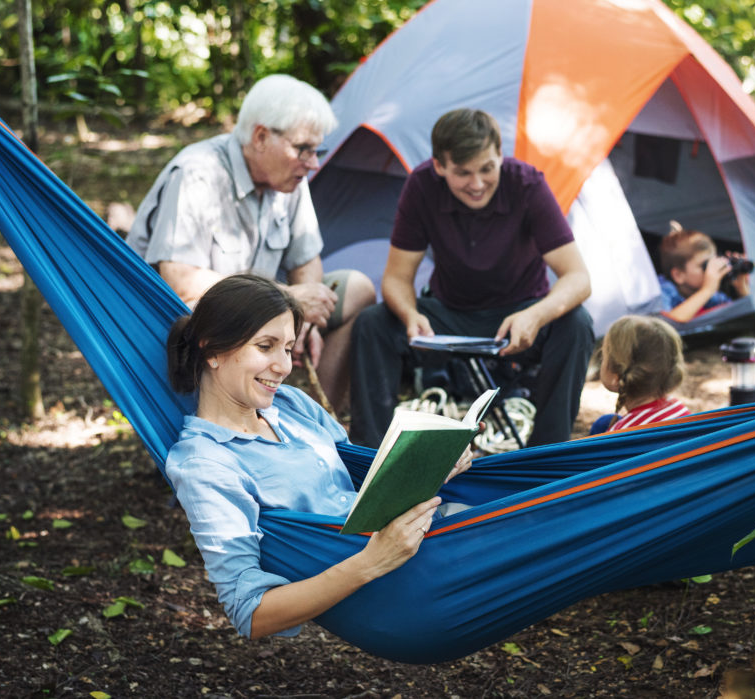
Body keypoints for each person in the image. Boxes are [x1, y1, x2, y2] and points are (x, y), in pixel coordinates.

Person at [164, 274, 471, 639]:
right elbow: (250, 613)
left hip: (435, 534)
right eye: (266, 346)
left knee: (541, 508)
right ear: (212, 349)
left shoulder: (291, 405)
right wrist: (371, 562)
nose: (284, 366)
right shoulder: (206, 463)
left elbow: (362, 483)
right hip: (404, 583)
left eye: (288, 348)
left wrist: (430, 465)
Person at [127, 74, 375, 413]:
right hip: (190, 321)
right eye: (303, 149)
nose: (314, 163)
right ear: (260, 136)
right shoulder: (198, 174)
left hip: (263, 316)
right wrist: (287, 297)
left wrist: (306, 319)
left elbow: (306, 261)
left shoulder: (289, 179)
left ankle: (319, 425)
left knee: (358, 288)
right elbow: (179, 279)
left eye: (317, 151)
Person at [349, 108, 594, 448]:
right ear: (439, 167)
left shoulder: (527, 184)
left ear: (500, 155)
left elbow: (579, 278)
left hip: (520, 313)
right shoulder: (422, 186)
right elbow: (396, 278)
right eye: (463, 173)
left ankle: (546, 452)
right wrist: (410, 315)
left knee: (577, 324)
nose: (477, 184)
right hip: (449, 313)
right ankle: (370, 453)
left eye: (487, 169)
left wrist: (535, 315)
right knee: (372, 324)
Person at [588, 315, 691, 434]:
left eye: (604, 356)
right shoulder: (679, 410)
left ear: (616, 376)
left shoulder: (620, 434)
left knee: (601, 426)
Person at [658, 221, 750, 323]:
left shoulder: (709, 293)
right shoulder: (663, 291)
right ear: (678, 275)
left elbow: (742, 314)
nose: (711, 270)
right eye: (705, 265)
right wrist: (707, 290)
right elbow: (664, 325)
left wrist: (741, 288)